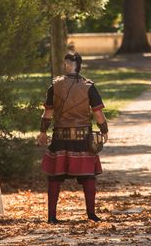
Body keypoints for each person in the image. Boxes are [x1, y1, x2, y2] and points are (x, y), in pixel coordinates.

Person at [38, 51, 109, 224]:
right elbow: (98, 114)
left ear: (66, 64)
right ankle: (91, 215)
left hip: (60, 137)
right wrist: (104, 130)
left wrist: (42, 132)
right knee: (88, 176)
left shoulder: (54, 86)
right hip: (82, 138)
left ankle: (51, 217)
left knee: (55, 177)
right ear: (80, 65)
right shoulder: (88, 87)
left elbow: (48, 113)